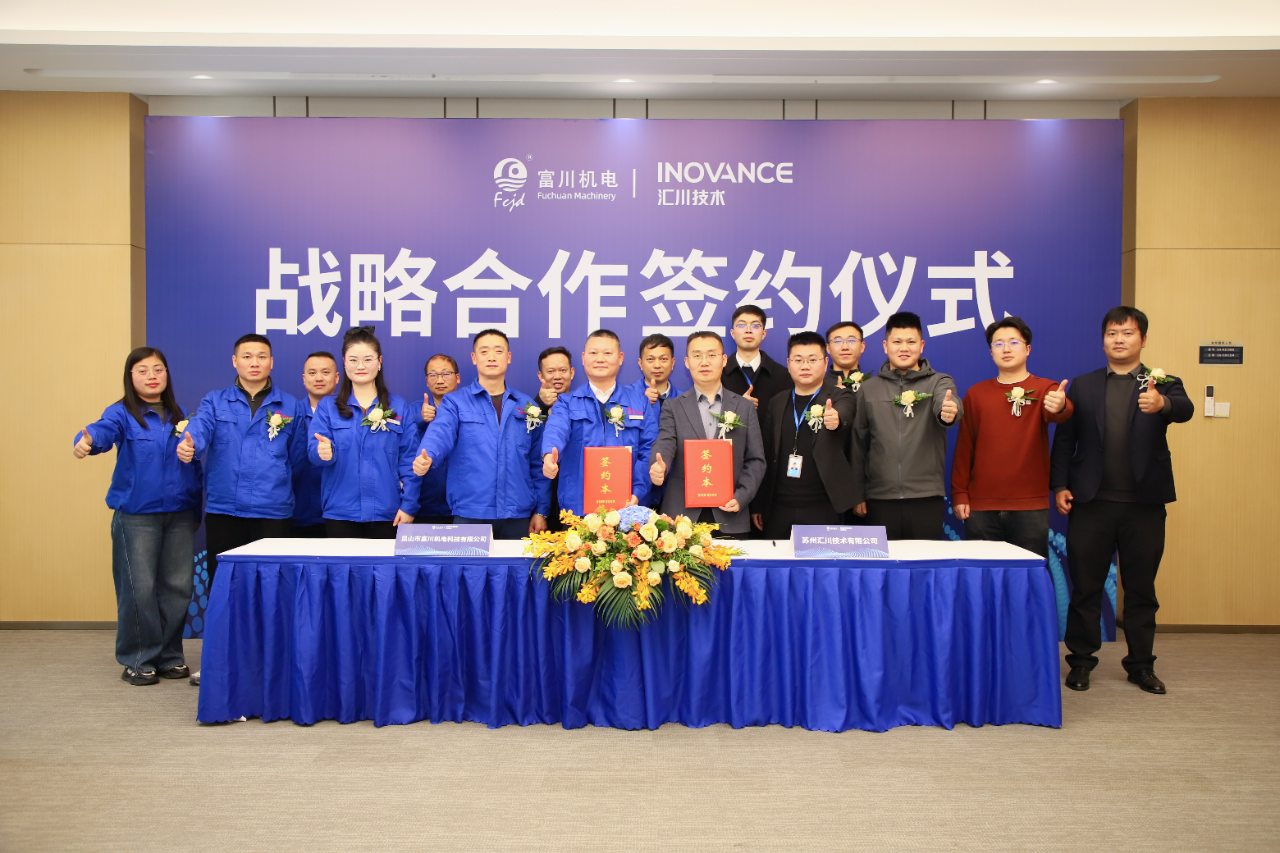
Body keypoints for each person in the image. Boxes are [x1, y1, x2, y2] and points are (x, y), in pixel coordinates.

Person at [1051, 306, 1193, 695]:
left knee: (1141, 589)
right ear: (1103, 341)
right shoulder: (1083, 385)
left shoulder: (1163, 383)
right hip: (1091, 504)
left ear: (1142, 340)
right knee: (1086, 588)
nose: (1119, 340)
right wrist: (1060, 485)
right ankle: (1081, 662)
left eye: (1127, 333)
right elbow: (1065, 440)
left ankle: (1141, 666)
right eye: (1112, 333)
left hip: (1144, 505)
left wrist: (1162, 405)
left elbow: (1185, 409)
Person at [178, 333, 307, 686]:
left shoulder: (290, 405)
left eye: (261, 356)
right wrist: (190, 445)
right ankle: (218, 661)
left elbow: (297, 458)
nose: (254, 362)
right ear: (234, 361)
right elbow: (199, 430)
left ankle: (270, 666)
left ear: (271, 362)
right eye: (247, 356)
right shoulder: (215, 401)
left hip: (273, 511)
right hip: (226, 510)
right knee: (224, 590)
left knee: (273, 591)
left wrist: (274, 480)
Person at [73, 347, 202, 686]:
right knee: (138, 589)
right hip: (137, 516)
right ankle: (138, 658)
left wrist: (195, 508)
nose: (152, 376)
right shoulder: (121, 413)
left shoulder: (180, 415)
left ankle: (169, 656)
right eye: (142, 370)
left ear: (167, 374)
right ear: (130, 377)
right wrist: (87, 441)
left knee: (177, 589)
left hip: (178, 514)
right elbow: (101, 431)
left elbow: (194, 466)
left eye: (158, 369)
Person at [951, 318, 1073, 557]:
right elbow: (965, 448)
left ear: (1028, 349)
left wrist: (1060, 405)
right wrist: (959, 493)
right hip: (981, 507)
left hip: (1030, 508)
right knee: (984, 575)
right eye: (998, 344)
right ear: (991, 352)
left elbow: (1059, 412)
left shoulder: (1045, 388)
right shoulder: (976, 394)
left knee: (1027, 576)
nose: (1006, 349)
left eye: (1013, 342)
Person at [412, 329, 550, 538]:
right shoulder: (455, 402)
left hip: (517, 513)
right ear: (474, 358)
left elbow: (538, 463)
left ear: (509, 357)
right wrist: (427, 455)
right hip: (470, 512)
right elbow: (440, 432)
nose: (491, 357)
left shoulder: (527, 405)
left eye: (498, 351)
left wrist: (541, 510)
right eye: (484, 352)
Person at [850, 311, 962, 540]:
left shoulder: (939, 382)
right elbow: (859, 445)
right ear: (885, 346)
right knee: (883, 563)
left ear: (921, 345)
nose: (904, 348)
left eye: (911, 342)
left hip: (926, 497)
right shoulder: (868, 389)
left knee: (925, 561)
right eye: (897, 342)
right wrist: (858, 493)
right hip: (879, 498)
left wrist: (949, 412)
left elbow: (948, 404)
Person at [648, 331, 765, 536]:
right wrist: (659, 465)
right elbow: (665, 442)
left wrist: (742, 496)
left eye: (711, 355)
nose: (704, 362)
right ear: (687, 362)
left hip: (730, 511)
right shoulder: (673, 406)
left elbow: (756, 460)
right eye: (697, 355)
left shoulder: (744, 407)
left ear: (724, 360)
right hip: (683, 516)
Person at [308, 326, 421, 538]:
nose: (360, 366)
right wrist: (322, 452)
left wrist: (409, 505)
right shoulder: (327, 407)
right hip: (341, 512)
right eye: (353, 360)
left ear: (379, 362)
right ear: (344, 362)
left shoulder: (398, 406)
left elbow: (410, 459)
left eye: (368, 359)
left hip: (388, 512)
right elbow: (314, 452)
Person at [751, 331, 857, 539]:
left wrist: (836, 419)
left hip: (823, 505)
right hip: (778, 507)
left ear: (825, 363)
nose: (805, 366)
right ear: (789, 364)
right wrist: (759, 503)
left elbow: (846, 411)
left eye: (812, 360)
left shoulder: (840, 396)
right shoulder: (777, 402)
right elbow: (765, 453)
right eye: (798, 360)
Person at [541, 329, 658, 515]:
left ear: (620, 358)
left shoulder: (640, 403)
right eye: (593, 353)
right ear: (583, 358)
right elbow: (556, 430)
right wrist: (549, 455)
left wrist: (636, 492)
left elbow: (649, 451)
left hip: (626, 508)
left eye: (607, 353)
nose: (600, 359)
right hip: (578, 511)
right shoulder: (566, 402)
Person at [626, 333, 682, 508]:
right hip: (633, 493)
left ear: (672, 363)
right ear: (640, 363)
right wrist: (641, 402)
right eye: (650, 359)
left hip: (674, 494)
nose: (657, 365)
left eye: (663, 359)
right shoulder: (623, 398)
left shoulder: (685, 401)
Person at [292, 351, 339, 537]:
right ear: (304, 379)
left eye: (325, 372)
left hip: (340, 513)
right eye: (312, 373)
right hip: (298, 511)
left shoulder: (351, 413)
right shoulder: (291, 413)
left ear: (337, 378)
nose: (319, 378)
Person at [414, 354, 461, 524]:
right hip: (423, 507)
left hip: (461, 507)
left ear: (457, 378)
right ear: (427, 381)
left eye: (446, 373)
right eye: (433, 375)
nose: (440, 380)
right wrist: (420, 419)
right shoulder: (414, 410)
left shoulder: (470, 410)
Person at [721, 304, 794, 412]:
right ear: (732, 333)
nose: (748, 330)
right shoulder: (719, 374)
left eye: (755, 325)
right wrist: (737, 408)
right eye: (741, 325)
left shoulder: (783, 375)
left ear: (764, 333)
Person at [535, 346, 575, 528]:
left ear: (572, 373)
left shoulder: (585, 405)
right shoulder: (529, 409)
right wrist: (540, 405)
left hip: (574, 500)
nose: (557, 376)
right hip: (540, 500)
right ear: (541, 376)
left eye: (563, 370)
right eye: (551, 371)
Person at [825, 321, 868, 390]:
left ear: (862, 347)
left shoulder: (873, 387)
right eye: (838, 341)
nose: (845, 347)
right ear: (828, 348)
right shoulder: (817, 387)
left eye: (851, 340)